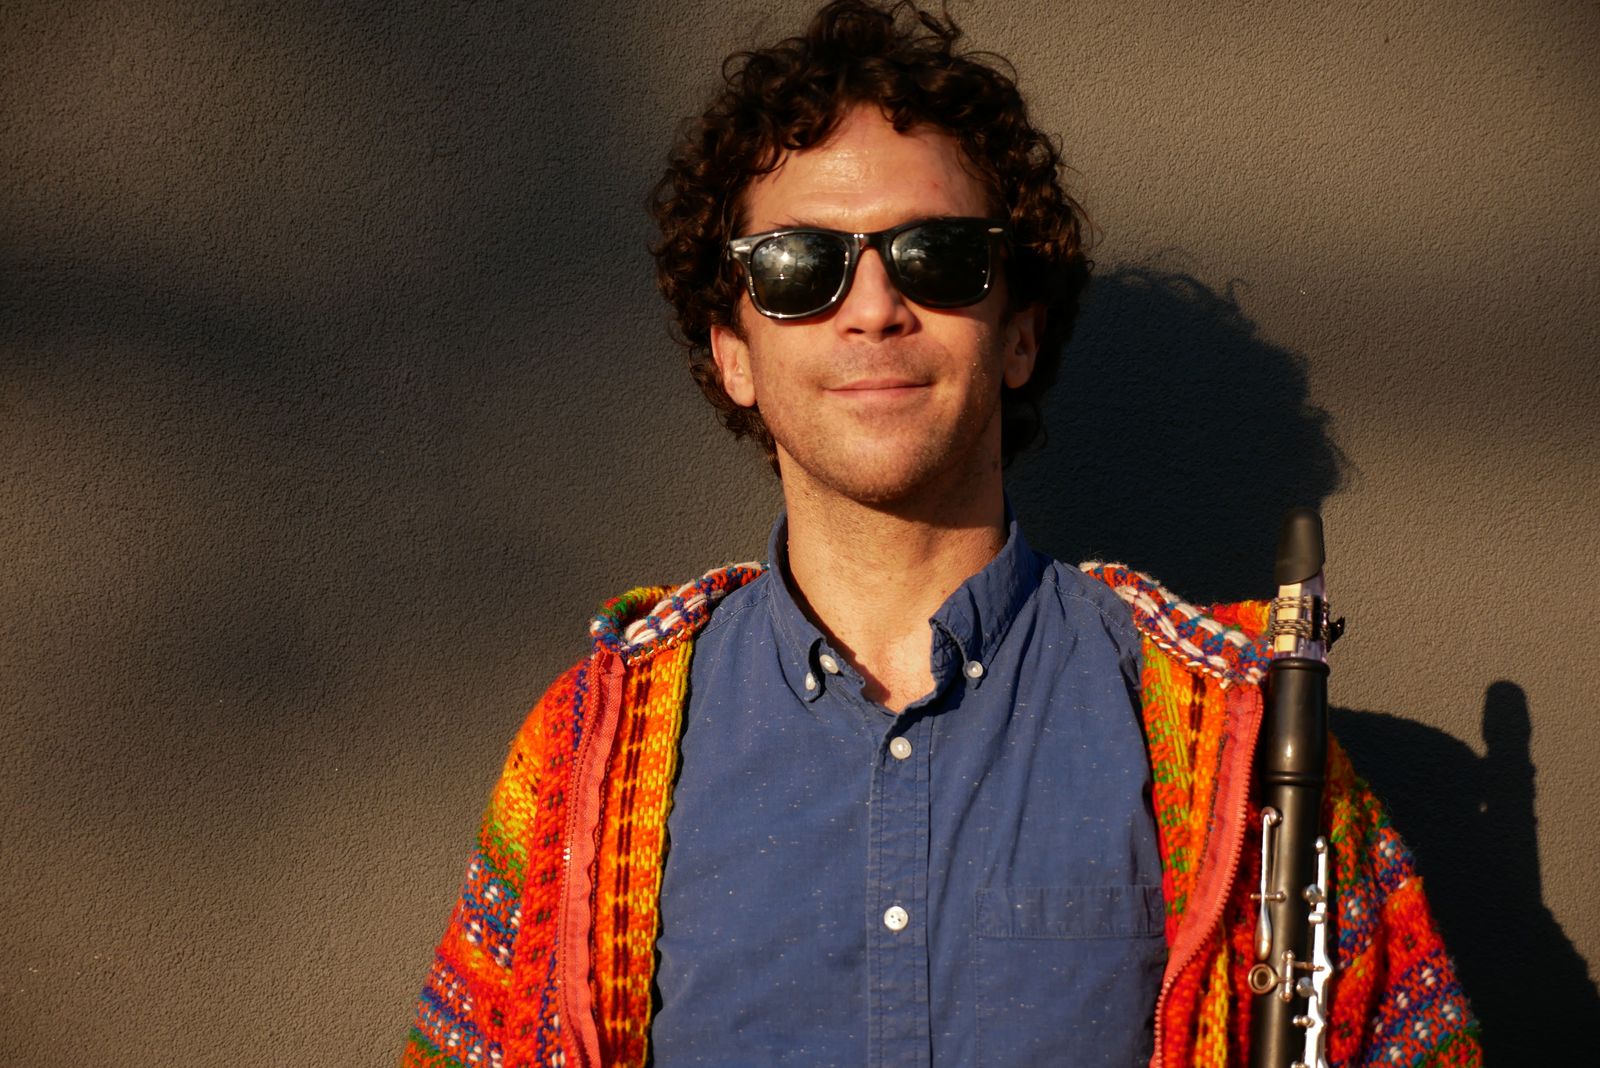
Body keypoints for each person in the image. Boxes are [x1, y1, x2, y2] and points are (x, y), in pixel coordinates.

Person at [403, 3, 1480, 1066]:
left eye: (939, 255)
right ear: (732, 352)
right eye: (798, 264)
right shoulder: (583, 751)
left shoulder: (1247, 729)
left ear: (1018, 337)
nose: (873, 307)